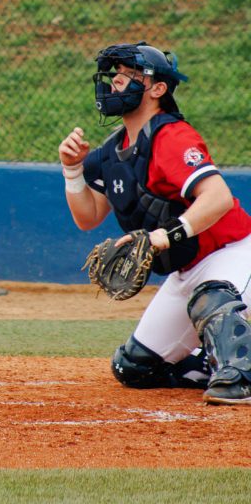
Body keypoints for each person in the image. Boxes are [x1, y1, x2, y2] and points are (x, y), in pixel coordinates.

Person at [59, 42, 251, 405]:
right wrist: (72, 171)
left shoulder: (171, 137)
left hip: (234, 252)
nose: (114, 82)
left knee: (211, 298)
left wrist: (166, 235)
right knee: (134, 367)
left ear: (157, 89)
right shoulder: (113, 151)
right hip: (187, 270)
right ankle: (215, 362)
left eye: (126, 76)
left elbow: (218, 197)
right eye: (112, 76)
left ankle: (242, 374)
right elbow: (87, 218)